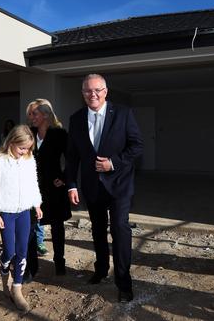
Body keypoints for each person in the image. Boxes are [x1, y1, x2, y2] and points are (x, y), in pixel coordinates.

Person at [66, 74, 143, 303]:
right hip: (92, 187)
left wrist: (114, 162)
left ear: (106, 91)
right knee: (98, 230)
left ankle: (123, 282)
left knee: (119, 229)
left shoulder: (123, 113)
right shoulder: (76, 119)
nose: (93, 94)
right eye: (88, 91)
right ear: (83, 94)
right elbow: (72, 157)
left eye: (98, 90)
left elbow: (137, 145)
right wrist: (71, 184)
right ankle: (100, 270)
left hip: (119, 185)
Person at [0, 124, 43, 312]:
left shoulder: (29, 160)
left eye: (28, 149)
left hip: (24, 211)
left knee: (22, 250)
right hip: (6, 213)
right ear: (11, 142)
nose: (24, 152)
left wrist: (37, 203)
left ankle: (17, 288)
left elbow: (33, 183)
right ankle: (4, 277)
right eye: (21, 148)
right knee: (9, 251)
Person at [28, 98, 71, 276]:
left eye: (34, 113)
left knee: (57, 227)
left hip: (53, 189)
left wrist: (63, 177)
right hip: (32, 187)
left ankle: (59, 262)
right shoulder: (28, 133)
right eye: (29, 114)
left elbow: (73, 159)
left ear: (45, 114)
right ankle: (31, 266)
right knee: (30, 226)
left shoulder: (59, 134)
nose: (31, 117)